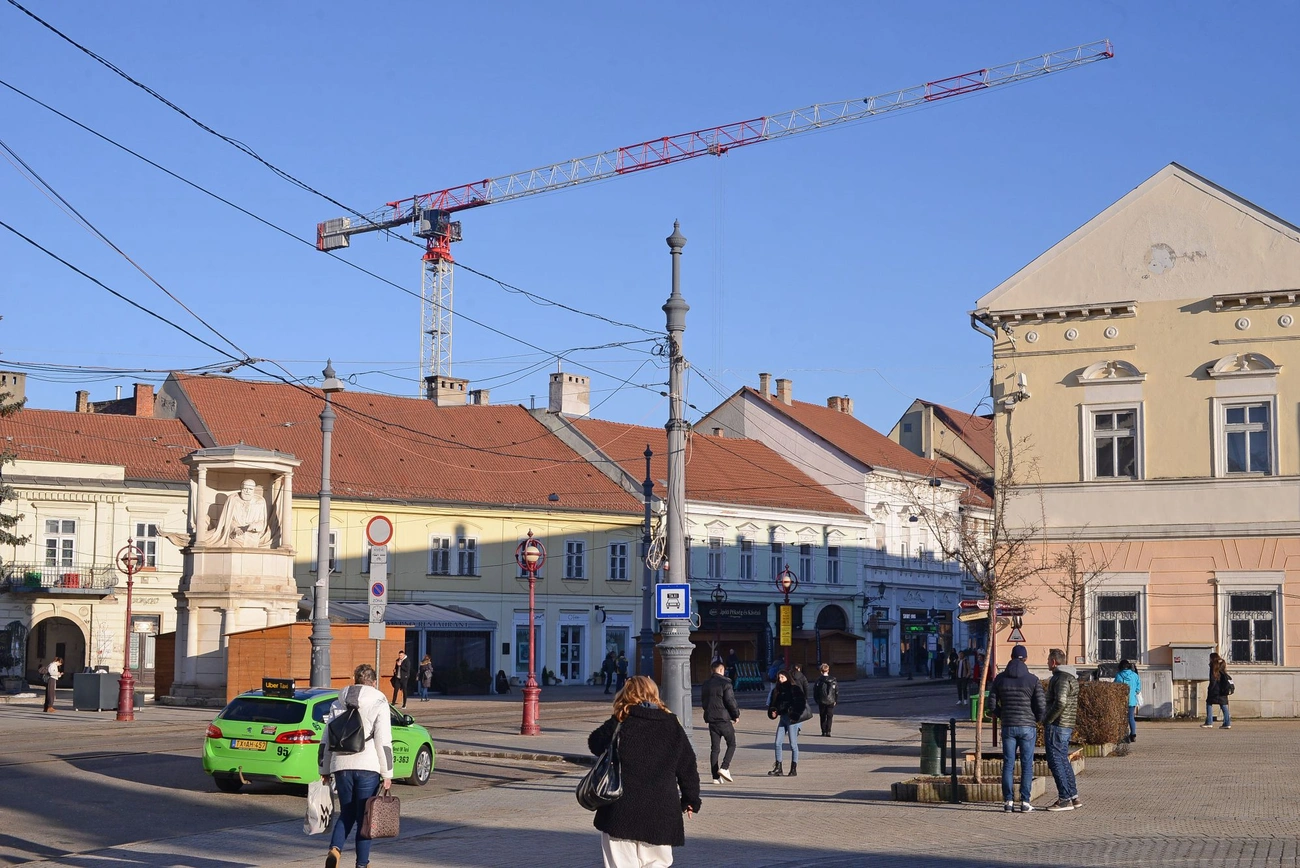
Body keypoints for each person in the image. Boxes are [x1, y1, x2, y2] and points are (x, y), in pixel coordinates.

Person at [587, 676, 701, 868]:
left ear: (626, 695)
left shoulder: (622, 722)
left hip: (621, 809)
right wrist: (690, 800)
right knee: (658, 863)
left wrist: (618, 716)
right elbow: (687, 765)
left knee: (621, 864)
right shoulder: (672, 724)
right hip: (661, 811)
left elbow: (595, 743)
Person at [319, 663, 394, 868]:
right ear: (374, 681)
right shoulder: (379, 701)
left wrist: (324, 769)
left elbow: (326, 737)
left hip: (341, 765)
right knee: (365, 818)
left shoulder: (339, 701)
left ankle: (335, 849)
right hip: (368, 766)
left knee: (347, 813)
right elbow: (384, 740)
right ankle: (362, 864)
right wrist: (387, 773)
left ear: (355, 680)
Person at [990, 644, 1045, 813]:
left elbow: (991, 704)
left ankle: (1008, 801)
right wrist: (1036, 719)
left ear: (1011, 657)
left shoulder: (999, 679)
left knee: (1008, 764)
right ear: (1026, 659)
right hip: (1028, 726)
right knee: (1027, 764)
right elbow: (1041, 706)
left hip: (1008, 726)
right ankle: (1025, 802)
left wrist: (1002, 715)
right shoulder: (1033, 679)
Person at [1042, 648, 1082, 812]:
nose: (1047, 663)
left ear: (1053, 662)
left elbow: (1060, 702)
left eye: (1048, 660)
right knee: (1063, 760)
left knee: (1056, 761)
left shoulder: (1060, 678)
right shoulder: (1070, 677)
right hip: (1065, 724)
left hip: (1058, 725)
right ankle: (1073, 796)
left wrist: (1047, 719)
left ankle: (1064, 799)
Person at [700, 660, 740, 784]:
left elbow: (704, 702)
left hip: (711, 719)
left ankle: (715, 777)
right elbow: (730, 701)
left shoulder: (706, 684)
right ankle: (724, 767)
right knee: (732, 744)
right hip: (724, 719)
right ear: (722, 670)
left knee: (715, 748)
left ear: (712, 670)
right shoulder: (726, 683)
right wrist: (736, 715)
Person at [766, 669, 809, 777]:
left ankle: (793, 768)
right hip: (783, 719)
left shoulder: (794, 688)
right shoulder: (777, 690)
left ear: (787, 678)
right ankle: (778, 767)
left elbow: (801, 703)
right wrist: (773, 711)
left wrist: (794, 715)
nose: (780, 680)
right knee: (777, 743)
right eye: (779, 678)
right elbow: (773, 704)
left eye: (782, 677)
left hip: (791, 720)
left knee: (793, 744)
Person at [213, 478, 270, 547]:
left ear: (254, 490)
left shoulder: (259, 502)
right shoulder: (233, 499)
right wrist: (235, 528)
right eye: (245, 488)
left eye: (250, 489)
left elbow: (262, 522)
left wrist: (250, 527)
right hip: (235, 537)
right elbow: (227, 519)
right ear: (241, 488)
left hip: (251, 538)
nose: (247, 491)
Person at [1201, 652, 1232, 729]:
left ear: (1212, 658)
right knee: (1223, 705)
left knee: (1209, 704)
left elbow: (1212, 680)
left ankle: (1209, 722)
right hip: (1223, 689)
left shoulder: (1213, 666)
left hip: (1214, 689)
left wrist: (1210, 688)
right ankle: (1227, 723)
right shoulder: (1222, 666)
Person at [1113, 659, 1142, 742]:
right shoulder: (1135, 675)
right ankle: (1133, 734)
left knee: (1122, 718)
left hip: (1121, 700)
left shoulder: (1119, 675)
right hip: (1132, 700)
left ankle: (1124, 734)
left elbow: (1115, 687)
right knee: (1131, 718)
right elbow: (1138, 689)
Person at [813, 663, 839, 737]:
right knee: (830, 716)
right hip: (831, 700)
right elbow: (836, 691)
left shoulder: (818, 680)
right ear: (828, 670)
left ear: (821, 671)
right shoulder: (833, 680)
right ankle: (828, 731)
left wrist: (817, 700)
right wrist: (835, 700)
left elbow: (815, 691)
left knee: (822, 716)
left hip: (821, 701)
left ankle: (823, 731)